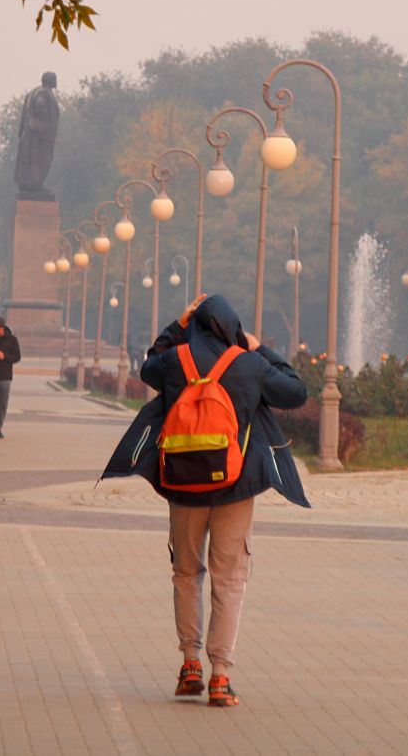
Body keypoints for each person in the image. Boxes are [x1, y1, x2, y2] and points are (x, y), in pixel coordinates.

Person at [100, 293, 309, 708]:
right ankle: (220, 676)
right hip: (236, 485)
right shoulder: (248, 364)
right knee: (230, 577)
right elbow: (295, 391)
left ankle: (190, 664)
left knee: (186, 572)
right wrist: (258, 347)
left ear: (195, 326)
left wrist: (177, 326)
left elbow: (148, 365)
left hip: (183, 484)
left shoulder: (177, 362)